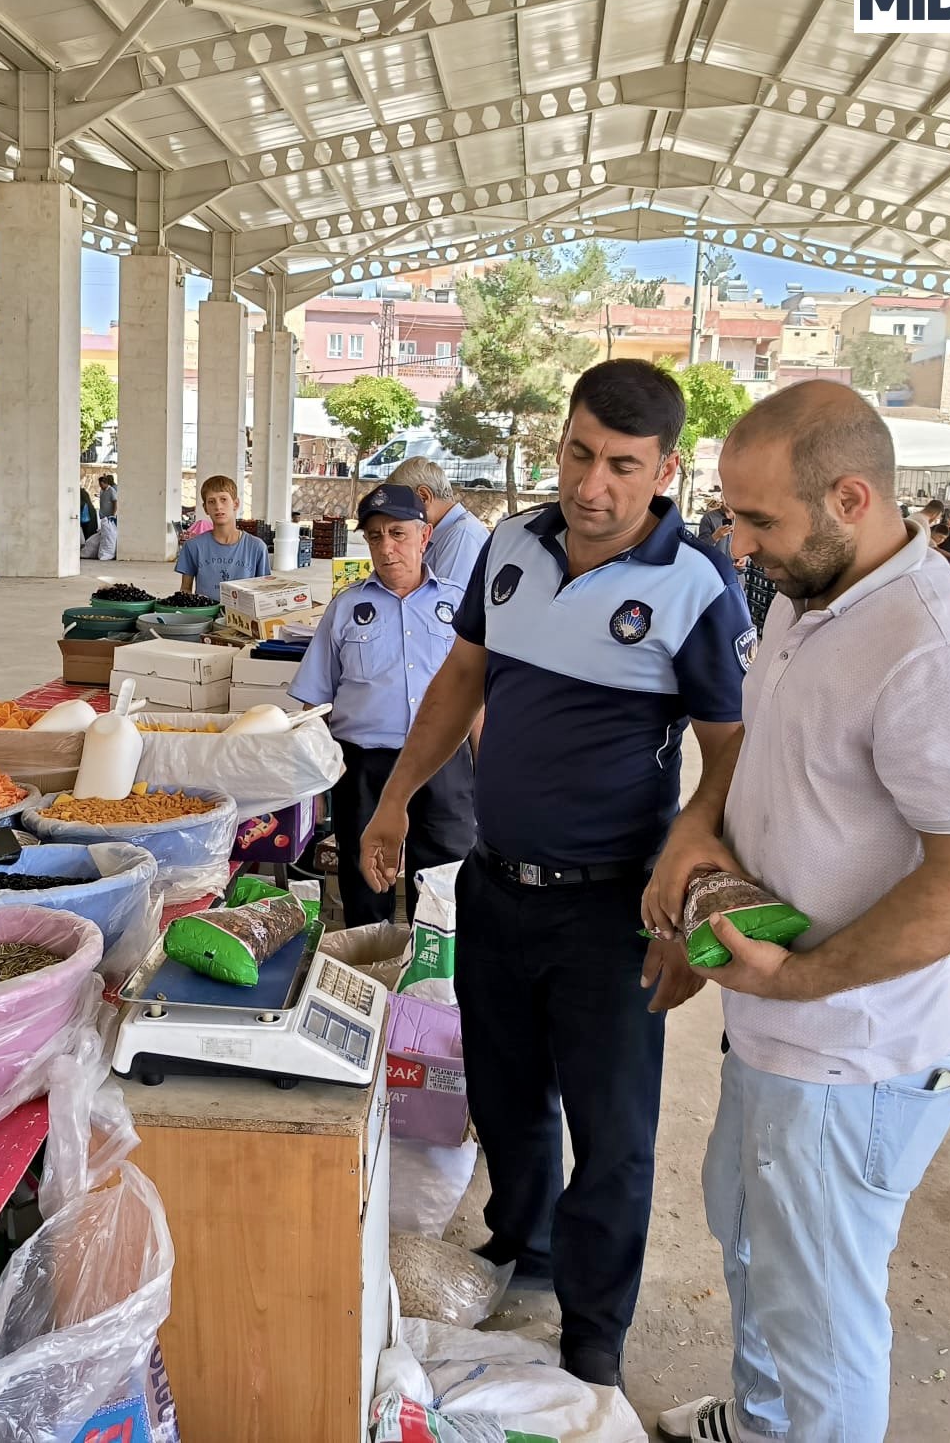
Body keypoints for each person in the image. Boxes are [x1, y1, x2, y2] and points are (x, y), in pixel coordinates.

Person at [359, 359, 752, 1388]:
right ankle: (518, 1243)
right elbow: (461, 678)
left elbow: (733, 748)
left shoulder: (693, 584)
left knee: (612, 1132)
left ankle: (594, 1328)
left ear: (664, 468)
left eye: (622, 466)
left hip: (613, 909)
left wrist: (690, 858)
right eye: (579, 454)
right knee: (506, 1093)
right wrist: (396, 798)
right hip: (494, 885)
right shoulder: (509, 547)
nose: (591, 486)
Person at [652, 381, 950, 1443]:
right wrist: (694, 835)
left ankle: (796, 1422)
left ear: (850, 498)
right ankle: (762, 1421)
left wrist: (799, 979)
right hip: (772, 1032)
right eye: (730, 514)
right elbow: (760, 753)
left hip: (846, 1058)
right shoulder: (809, 595)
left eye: (757, 519)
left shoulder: (932, 652)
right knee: (753, 1250)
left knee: (821, 1321)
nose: (735, 542)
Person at [292, 484, 475, 926]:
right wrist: (313, 788)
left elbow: (478, 697)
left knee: (442, 881)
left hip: (444, 762)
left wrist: (486, 771)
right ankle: (370, 972)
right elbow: (313, 703)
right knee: (365, 877)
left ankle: (431, 980)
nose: (387, 547)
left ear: (424, 536)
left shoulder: (458, 605)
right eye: (375, 536)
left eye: (398, 533)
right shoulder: (346, 608)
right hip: (365, 767)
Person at [386, 457, 489, 588]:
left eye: (400, 509)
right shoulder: (447, 533)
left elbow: (445, 604)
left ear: (424, 497)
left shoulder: (461, 535)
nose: (397, 518)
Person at [176, 475, 268, 600]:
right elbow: (185, 590)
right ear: (205, 508)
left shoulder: (256, 547)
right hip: (205, 617)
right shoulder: (193, 546)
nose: (218, 507)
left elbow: (263, 592)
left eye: (223, 499)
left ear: (235, 504)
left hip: (243, 618)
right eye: (211, 501)